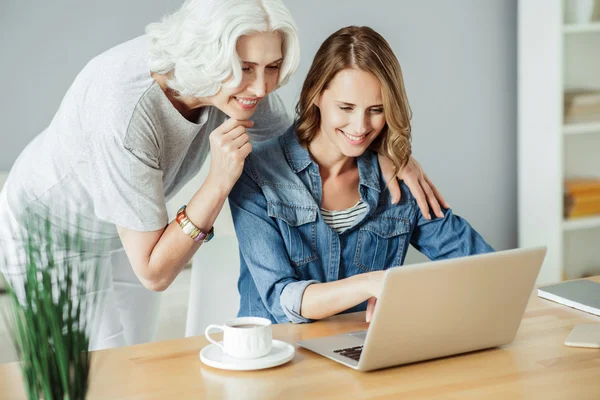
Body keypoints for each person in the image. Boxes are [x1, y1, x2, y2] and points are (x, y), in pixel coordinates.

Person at [0, 1, 445, 350]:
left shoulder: (238, 86)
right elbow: (155, 273)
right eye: (247, 69)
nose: (262, 87)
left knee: (133, 359)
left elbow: (304, 141)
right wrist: (217, 184)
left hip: (128, 228)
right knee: (94, 372)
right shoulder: (123, 112)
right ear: (207, 57)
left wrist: (389, 152)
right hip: (51, 234)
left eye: (272, 67)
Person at [229, 25, 494, 325]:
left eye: (376, 110)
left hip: (365, 357)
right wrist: (371, 283)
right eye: (346, 107)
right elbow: (280, 299)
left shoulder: (397, 179)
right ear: (316, 94)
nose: (360, 126)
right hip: (279, 357)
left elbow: (481, 266)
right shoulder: (256, 173)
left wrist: (415, 298)